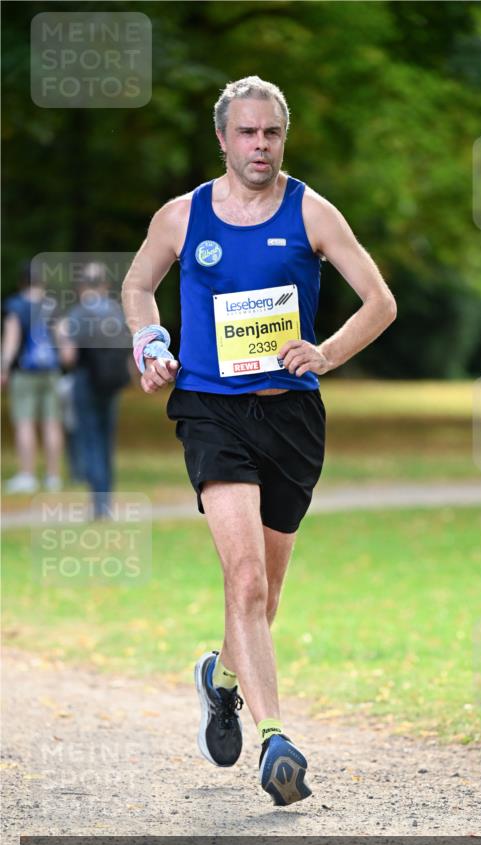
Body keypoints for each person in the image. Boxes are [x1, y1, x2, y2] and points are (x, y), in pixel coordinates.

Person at [122, 76, 396, 805]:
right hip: (211, 410)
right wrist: (150, 341)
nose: (259, 146)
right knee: (243, 581)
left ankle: (222, 680)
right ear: (222, 137)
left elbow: (380, 300)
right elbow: (138, 285)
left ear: (284, 135)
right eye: (245, 132)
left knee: (265, 594)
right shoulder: (183, 218)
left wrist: (328, 352)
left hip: (291, 419)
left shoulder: (311, 211)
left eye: (270, 133)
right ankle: (276, 738)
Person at [60, 263, 132, 519]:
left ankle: (98, 506)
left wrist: (61, 337)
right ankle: (107, 502)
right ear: (105, 285)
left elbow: (69, 357)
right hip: (111, 385)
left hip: (86, 382)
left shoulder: (78, 313)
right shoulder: (115, 311)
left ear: (81, 287)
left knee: (90, 441)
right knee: (105, 441)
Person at [1, 262, 63, 493]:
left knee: (25, 423)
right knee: (52, 423)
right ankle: (53, 476)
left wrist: (4, 367)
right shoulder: (52, 304)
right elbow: (62, 336)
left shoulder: (16, 304)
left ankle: (27, 475)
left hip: (25, 372)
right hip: (51, 371)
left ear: (21, 281)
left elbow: (11, 338)